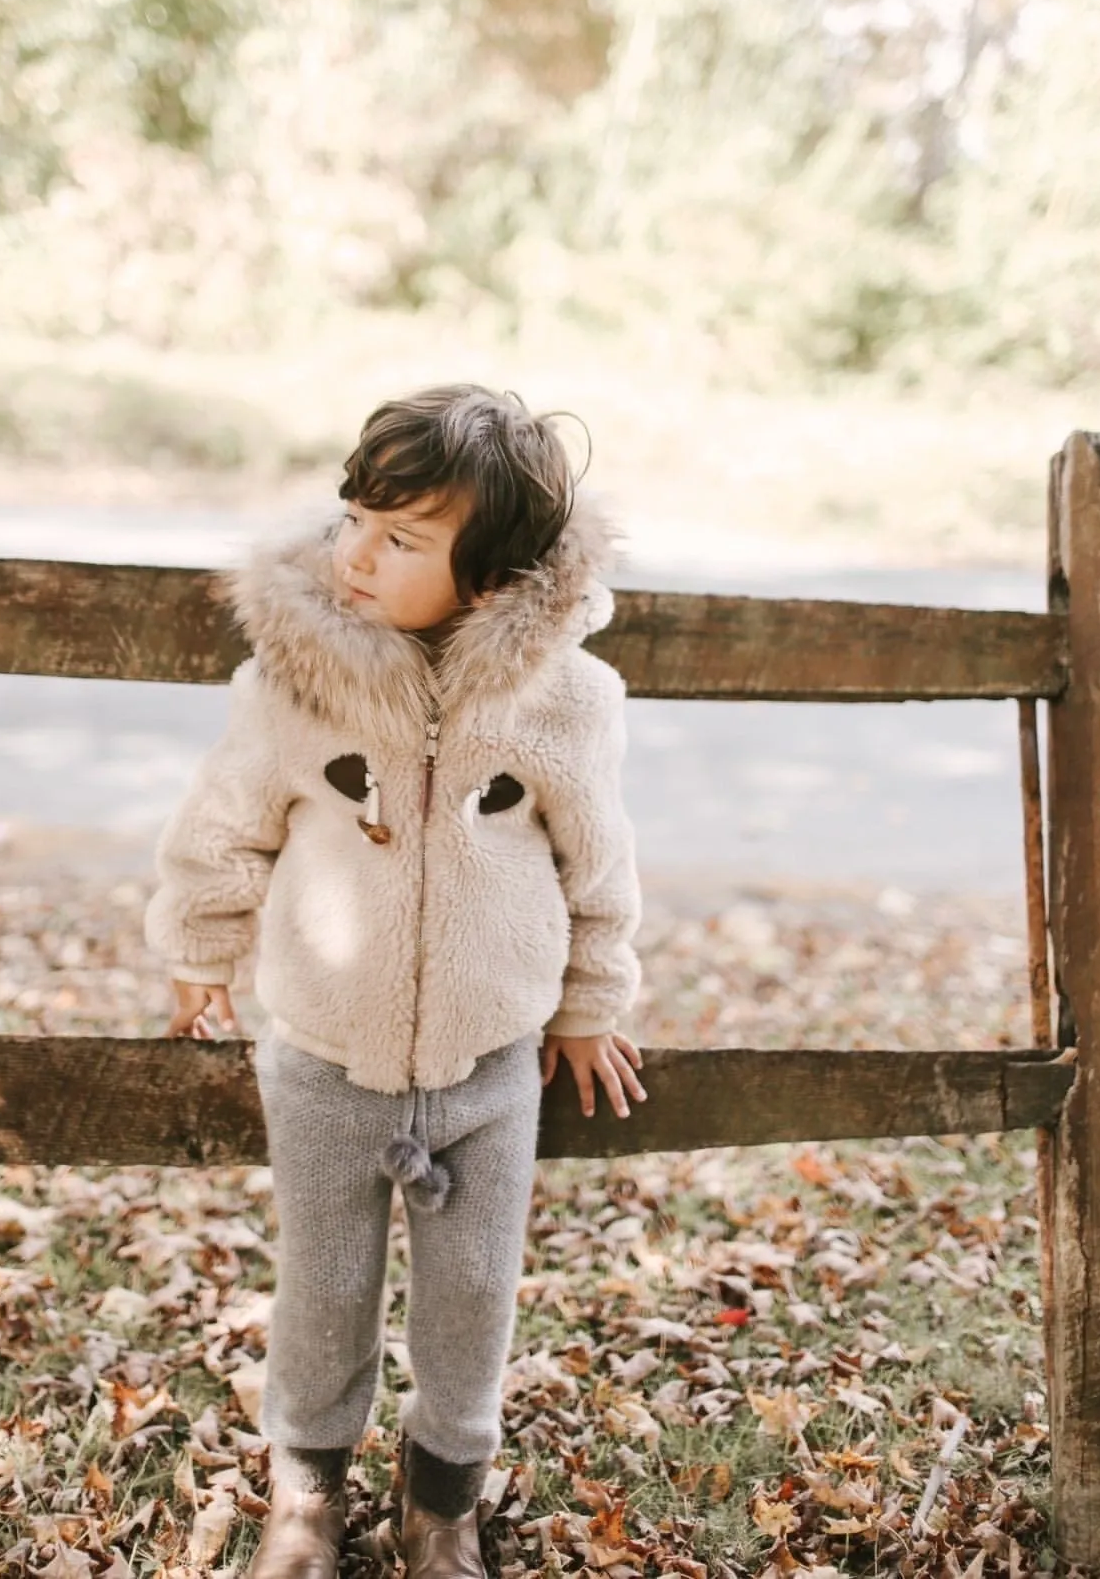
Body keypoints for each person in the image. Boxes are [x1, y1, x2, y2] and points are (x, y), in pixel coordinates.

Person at [146, 383, 645, 1579]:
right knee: (324, 1283)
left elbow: (600, 864)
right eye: (354, 518)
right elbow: (224, 826)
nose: (357, 555)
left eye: (403, 539)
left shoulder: (566, 701)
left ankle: (442, 1507)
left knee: (473, 1295)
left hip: (488, 1068)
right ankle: (307, 1502)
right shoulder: (296, 683)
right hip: (324, 1057)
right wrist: (199, 947)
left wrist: (588, 1004)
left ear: (488, 580)